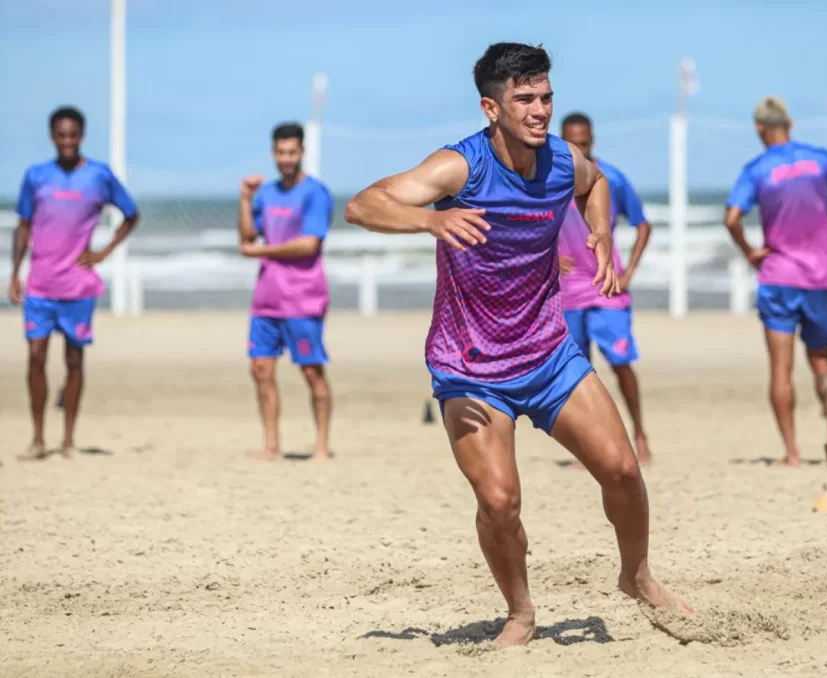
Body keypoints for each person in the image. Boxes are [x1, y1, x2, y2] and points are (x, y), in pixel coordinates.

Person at [344, 42, 690, 647]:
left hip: (549, 354)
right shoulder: (461, 167)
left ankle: (636, 577)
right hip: (471, 366)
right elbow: (362, 204)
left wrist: (600, 234)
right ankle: (521, 612)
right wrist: (432, 219)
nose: (540, 110)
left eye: (546, 97)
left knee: (621, 469)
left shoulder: (562, 160)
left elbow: (596, 183)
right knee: (500, 501)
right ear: (491, 107)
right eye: (524, 99)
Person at [724, 96, 827, 468]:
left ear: (759, 128)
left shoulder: (756, 168)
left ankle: (792, 453)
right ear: (790, 124)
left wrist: (749, 252)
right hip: (823, 275)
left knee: (780, 369)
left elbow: (732, 218)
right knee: (821, 360)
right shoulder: (820, 158)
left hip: (779, 276)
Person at [8, 106, 140, 460]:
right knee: (35, 357)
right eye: (61, 135)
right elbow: (23, 227)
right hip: (40, 285)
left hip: (77, 286)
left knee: (74, 360)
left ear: (81, 135)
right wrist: (15, 273)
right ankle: (38, 439)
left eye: (73, 135)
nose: (67, 141)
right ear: (52, 136)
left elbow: (131, 214)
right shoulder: (36, 176)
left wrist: (104, 251)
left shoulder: (99, 175)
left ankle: (68, 441)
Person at [557, 112, 654, 463]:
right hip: (566, 293)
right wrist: (548, 256)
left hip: (607, 288)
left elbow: (643, 225)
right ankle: (590, 447)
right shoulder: (548, 179)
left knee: (621, 363)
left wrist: (629, 272)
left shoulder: (609, 178)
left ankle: (639, 433)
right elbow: (524, 224)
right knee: (575, 375)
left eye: (584, 143)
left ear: (592, 140)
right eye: (573, 144)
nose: (580, 149)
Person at [237, 122, 335, 462]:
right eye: (281, 152)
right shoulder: (266, 194)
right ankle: (271, 445)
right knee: (260, 370)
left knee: (311, 371)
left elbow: (309, 244)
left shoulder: (316, 193)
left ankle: (321, 446)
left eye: (292, 152)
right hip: (266, 299)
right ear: (273, 153)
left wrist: (263, 251)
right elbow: (247, 237)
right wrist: (245, 199)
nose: (286, 158)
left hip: (303, 298)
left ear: (302, 152)